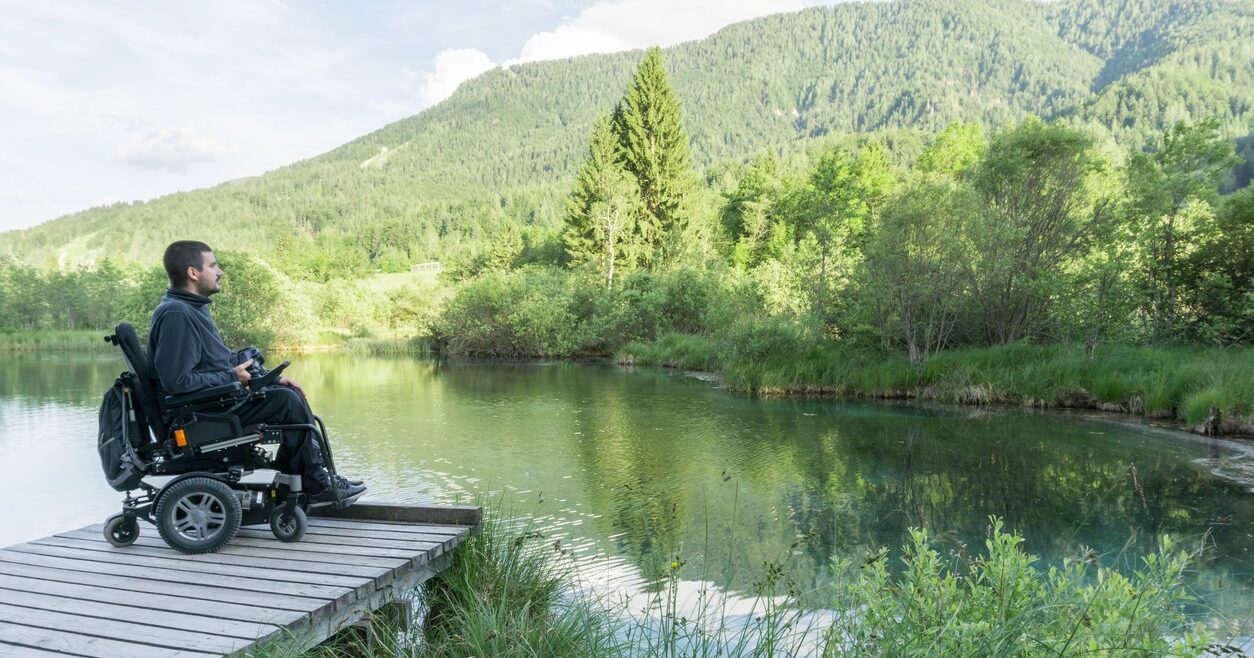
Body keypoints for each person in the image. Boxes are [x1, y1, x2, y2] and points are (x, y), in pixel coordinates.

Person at [148, 240, 365, 502]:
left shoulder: (193, 308)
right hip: (196, 415)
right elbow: (177, 381)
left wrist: (270, 378)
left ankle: (312, 477)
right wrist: (232, 377)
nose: (220, 272)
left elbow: (220, 361)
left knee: (287, 391)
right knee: (286, 402)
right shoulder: (178, 314)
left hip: (212, 402)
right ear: (193, 273)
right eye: (213, 265)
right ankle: (314, 482)